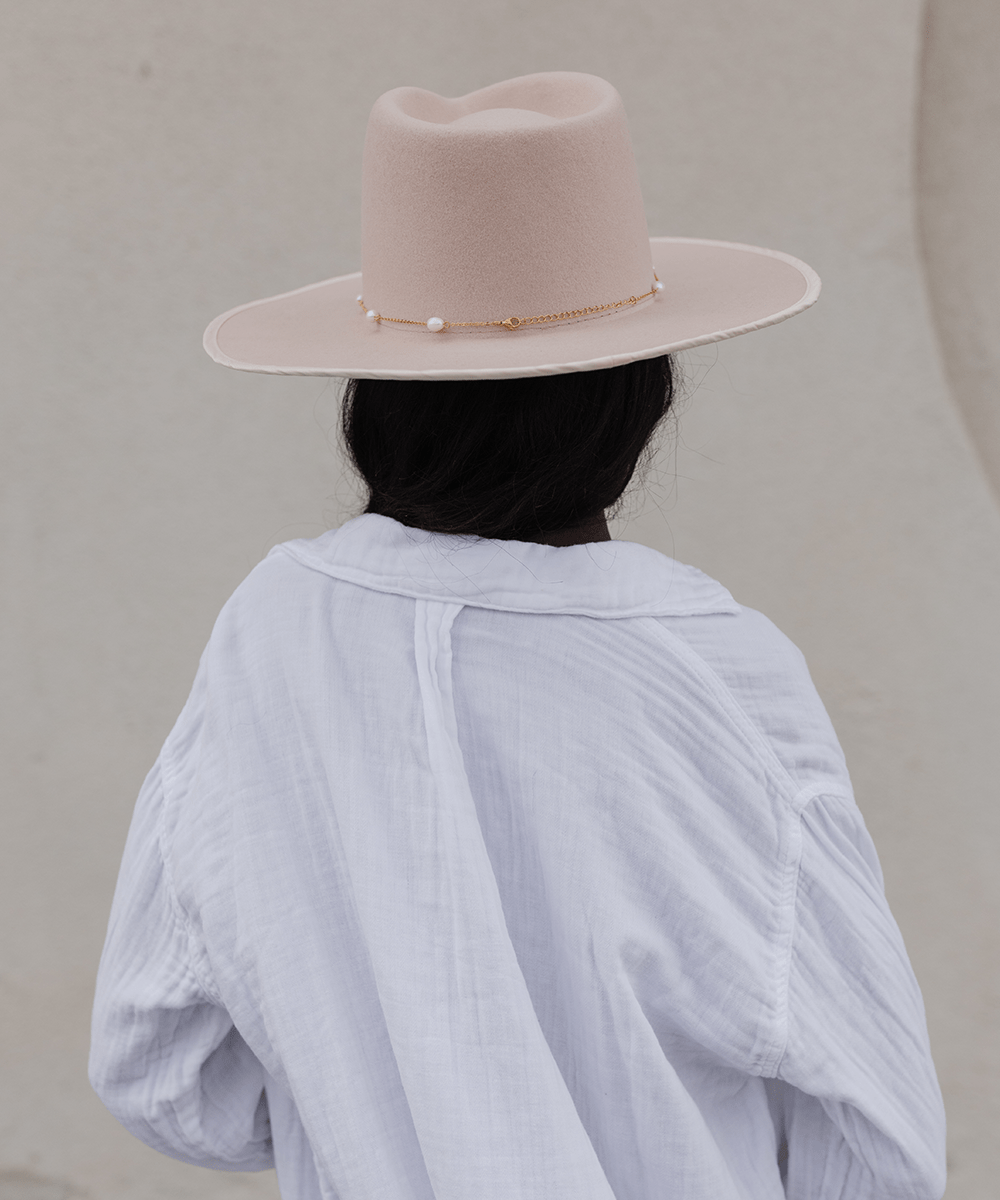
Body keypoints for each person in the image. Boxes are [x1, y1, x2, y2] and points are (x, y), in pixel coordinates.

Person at [89, 72, 947, 1199]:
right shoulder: (716, 676)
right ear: (639, 400)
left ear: (377, 392)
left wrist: (374, 1105)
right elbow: (877, 1135)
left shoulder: (274, 636)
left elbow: (158, 1069)